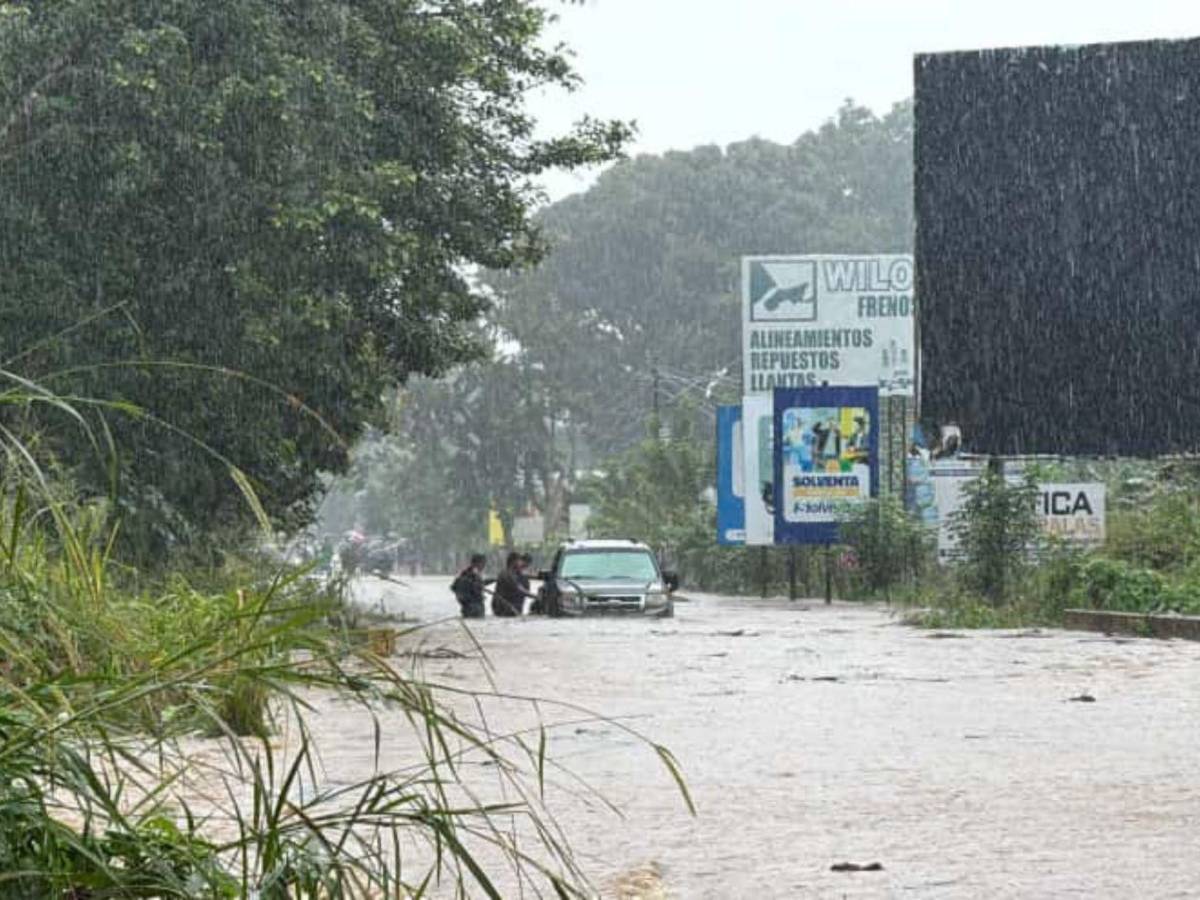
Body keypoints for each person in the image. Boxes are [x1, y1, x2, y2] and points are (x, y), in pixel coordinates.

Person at [491, 551, 536, 617]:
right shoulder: (507, 574)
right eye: (519, 560)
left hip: (512, 609)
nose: (520, 563)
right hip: (506, 608)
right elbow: (519, 589)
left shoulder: (515, 574)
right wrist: (535, 597)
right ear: (514, 561)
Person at [450, 553, 487, 619]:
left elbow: (453, 587)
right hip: (475, 608)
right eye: (483, 564)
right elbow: (477, 589)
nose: (484, 566)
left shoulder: (464, 573)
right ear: (477, 563)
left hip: (466, 608)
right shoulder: (474, 575)